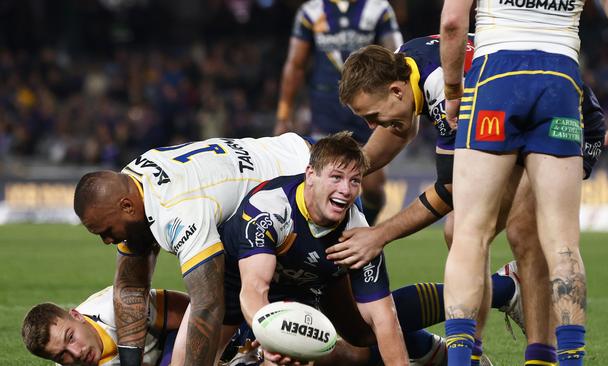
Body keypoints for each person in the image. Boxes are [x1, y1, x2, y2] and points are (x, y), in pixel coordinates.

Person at [332, 35, 606, 365]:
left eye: (373, 116)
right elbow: (398, 128)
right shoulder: (403, 64)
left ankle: (538, 354)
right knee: (462, 232)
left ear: (396, 91)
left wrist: (379, 235)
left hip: (564, 119)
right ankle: (486, 333)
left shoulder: (446, 86)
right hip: (514, 116)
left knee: (520, 231)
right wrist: (349, 169)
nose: (371, 125)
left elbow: (450, 189)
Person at [439, 0, 608, 364]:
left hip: (493, 76)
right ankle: (570, 359)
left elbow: (454, 23)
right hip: (559, 82)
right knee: (563, 243)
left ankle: (459, 361)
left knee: (471, 233)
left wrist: (453, 92)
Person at [73, 133, 312, 366]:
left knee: (302, 346)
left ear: (127, 206)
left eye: (106, 231)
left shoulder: (178, 210)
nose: (106, 241)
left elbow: (208, 304)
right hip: (276, 167)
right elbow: (131, 288)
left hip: (305, 180)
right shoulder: (130, 185)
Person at [218, 131, 409, 365]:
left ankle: (446, 325)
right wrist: (270, 338)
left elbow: (384, 319)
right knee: (196, 352)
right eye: (336, 177)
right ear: (311, 174)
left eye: (355, 180)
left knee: (357, 342)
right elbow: (254, 289)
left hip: (302, 289)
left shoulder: (357, 235)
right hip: (232, 282)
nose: (346, 190)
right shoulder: (270, 210)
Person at [274, 0, 404, 225]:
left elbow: (397, 56)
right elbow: (295, 65)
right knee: (322, 182)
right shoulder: (312, 12)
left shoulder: (378, 8)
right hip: (326, 113)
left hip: (368, 116)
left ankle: (363, 229)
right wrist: (283, 115)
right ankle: (319, 244)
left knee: (373, 188)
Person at [21, 286, 188, 366]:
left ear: (77, 316)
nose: (77, 353)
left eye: (71, 337)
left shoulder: (121, 307)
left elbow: (197, 311)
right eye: (61, 356)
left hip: (171, 346)